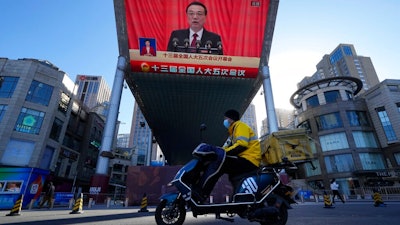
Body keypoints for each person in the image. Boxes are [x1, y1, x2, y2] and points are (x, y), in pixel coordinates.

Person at [195, 109, 261, 202]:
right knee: (221, 164)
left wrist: (222, 153)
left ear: (231, 119)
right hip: (244, 159)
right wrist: (217, 151)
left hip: (249, 160)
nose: (224, 121)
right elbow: (225, 148)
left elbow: (242, 145)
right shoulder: (233, 132)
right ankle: (236, 198)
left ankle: (201, 193)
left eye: (225, 118)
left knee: (218, 164)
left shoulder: (240, 126)